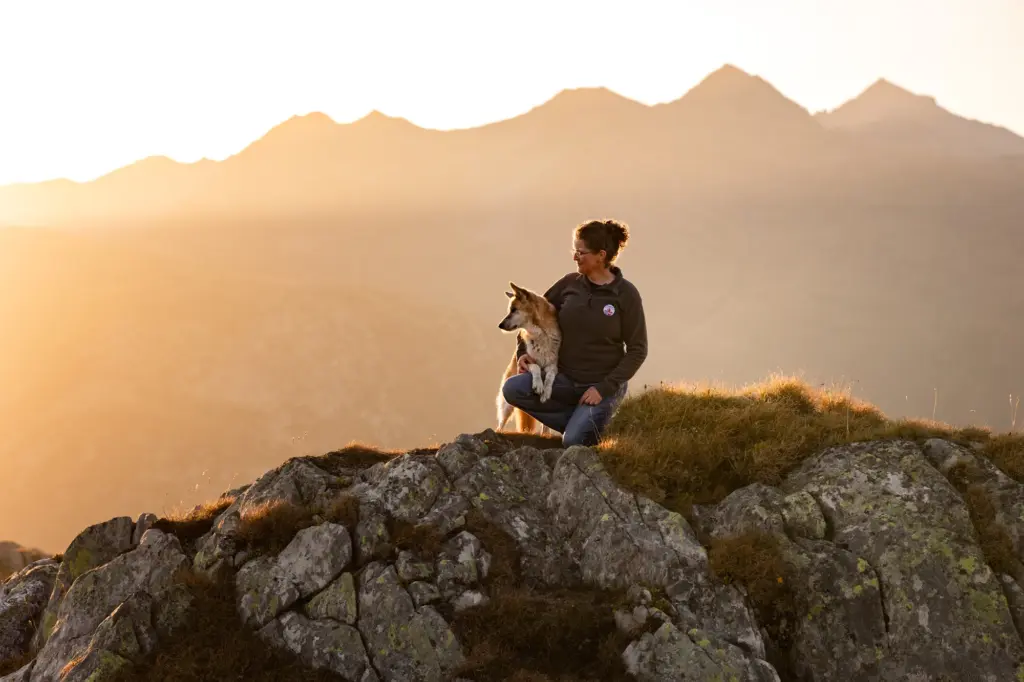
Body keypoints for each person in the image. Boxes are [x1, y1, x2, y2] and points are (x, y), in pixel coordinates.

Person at [501, 218, 648, 446]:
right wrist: (522, 353)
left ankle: (588, 424)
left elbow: (638, 350)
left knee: (573, 441)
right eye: (574, 251)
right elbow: (531, 313)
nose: (575, 257)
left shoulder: (626, 295)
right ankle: (582, 421)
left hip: (600, 387)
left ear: (601, 255)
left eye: (581, 252)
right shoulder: (569, 284)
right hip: (564, 382)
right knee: (512, 389)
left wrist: (603, 389)